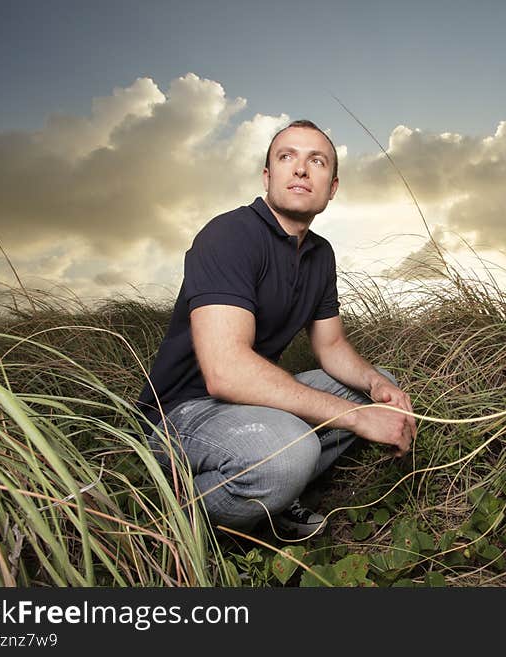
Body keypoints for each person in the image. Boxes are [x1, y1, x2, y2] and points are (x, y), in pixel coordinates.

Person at [137, 119, 417, 538]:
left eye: (316, 161)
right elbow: (226, 372)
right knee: (290, 454)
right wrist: (356, 418)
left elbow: (331, 344)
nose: (301, 169)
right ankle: (167, 522)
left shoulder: (320, 254)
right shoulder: (228, 235)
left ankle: (271, 493)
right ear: (268, 177)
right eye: (287, 157)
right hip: (180, 413)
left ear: (332, 186)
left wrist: (375, 386)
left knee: (377, 392)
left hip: (246, 405)